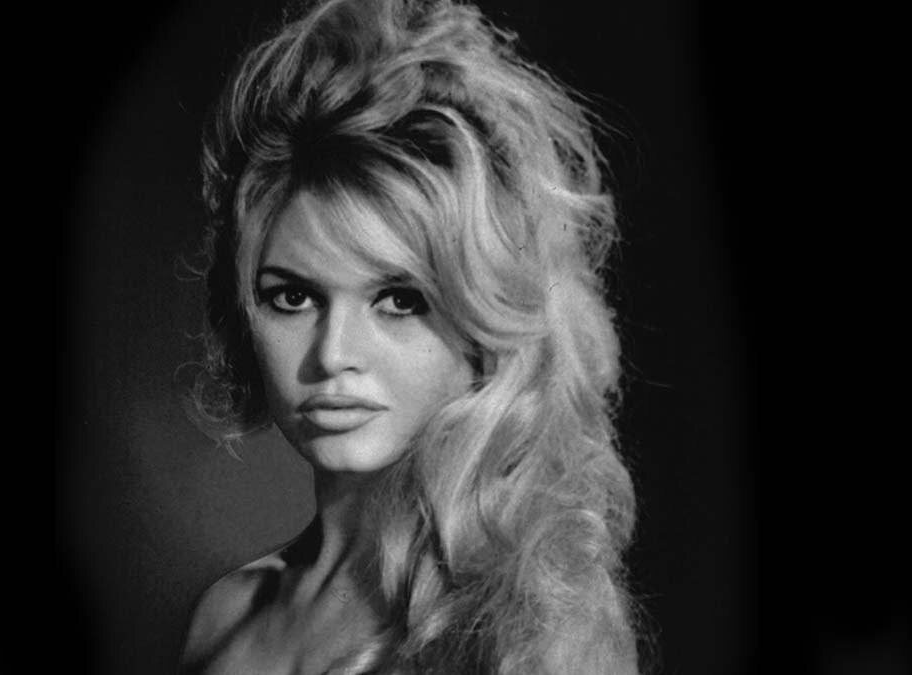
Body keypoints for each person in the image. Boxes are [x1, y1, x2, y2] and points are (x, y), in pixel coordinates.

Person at [181, 0, 639, 672]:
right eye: (294, 297)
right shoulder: (225, 615)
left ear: (482, 320)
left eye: (398, 300)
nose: (333, 355)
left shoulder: (528, 637)